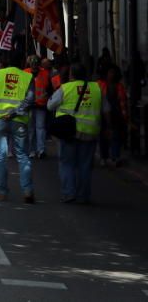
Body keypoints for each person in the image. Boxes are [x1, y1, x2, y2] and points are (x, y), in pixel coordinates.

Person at [49, 63, 109, 204]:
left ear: (71, 75)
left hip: (69, 132)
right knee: (85, 166)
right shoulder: (97, 88)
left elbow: (49, 105)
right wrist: (108, 128)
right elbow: (106, 110)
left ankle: (69, 193)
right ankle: (83, 196)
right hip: (90, 132)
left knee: (67, 164)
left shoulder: (65, 88)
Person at [0, 52, 35, 203]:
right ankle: (27, 190)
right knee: (23, 156)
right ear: (22, 62)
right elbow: (30, 100)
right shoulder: (27, 77)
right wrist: (15, 112)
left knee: (0, 157)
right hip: (19, 121)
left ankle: (2, 192)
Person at [28, 56, 52, 159]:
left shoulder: (45, 74)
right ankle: (31, 150)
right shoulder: (25, 73)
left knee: (40, 128)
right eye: (32, 65)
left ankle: (40, 150)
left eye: (36, 65)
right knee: (31, 129)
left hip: (41, 105)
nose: (34, 67)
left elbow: (49, 89)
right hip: (29, 105)